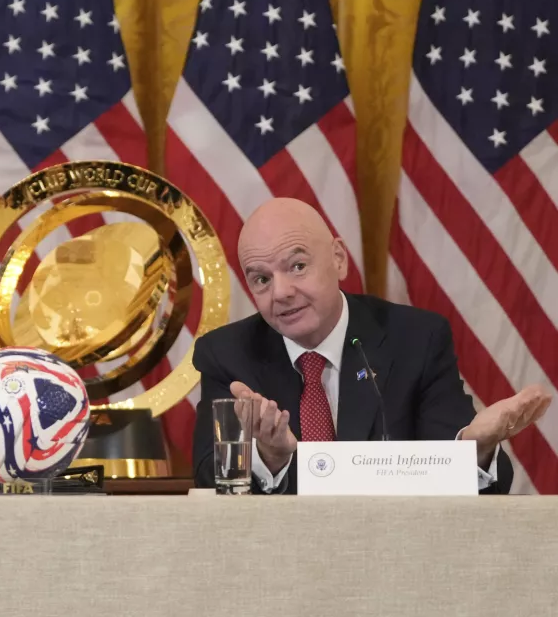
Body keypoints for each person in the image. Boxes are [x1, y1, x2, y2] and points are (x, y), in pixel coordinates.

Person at [192, 198, 552, 494]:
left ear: (338, 259)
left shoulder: (415, 338)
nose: (281, 292)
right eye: (261, 279)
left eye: (298, 266)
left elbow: (481, 488)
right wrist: (271, 459)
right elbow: (210, 477)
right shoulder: (227, 354)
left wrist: (474, 446)